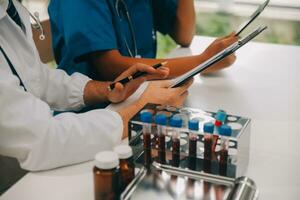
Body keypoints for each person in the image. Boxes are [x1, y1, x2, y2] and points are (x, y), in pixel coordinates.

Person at [0, 0, 192, 172]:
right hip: (25, 167)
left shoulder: (10, 8)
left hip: (67, 138)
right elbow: (42, 139)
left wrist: (107, 89)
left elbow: (39, 79)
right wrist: (136, 112)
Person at [48, 0, 238, 82]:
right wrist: (203, 62)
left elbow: (184, 35)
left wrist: (203, 62)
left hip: (140, 97)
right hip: (93, 113)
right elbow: (109, 67)